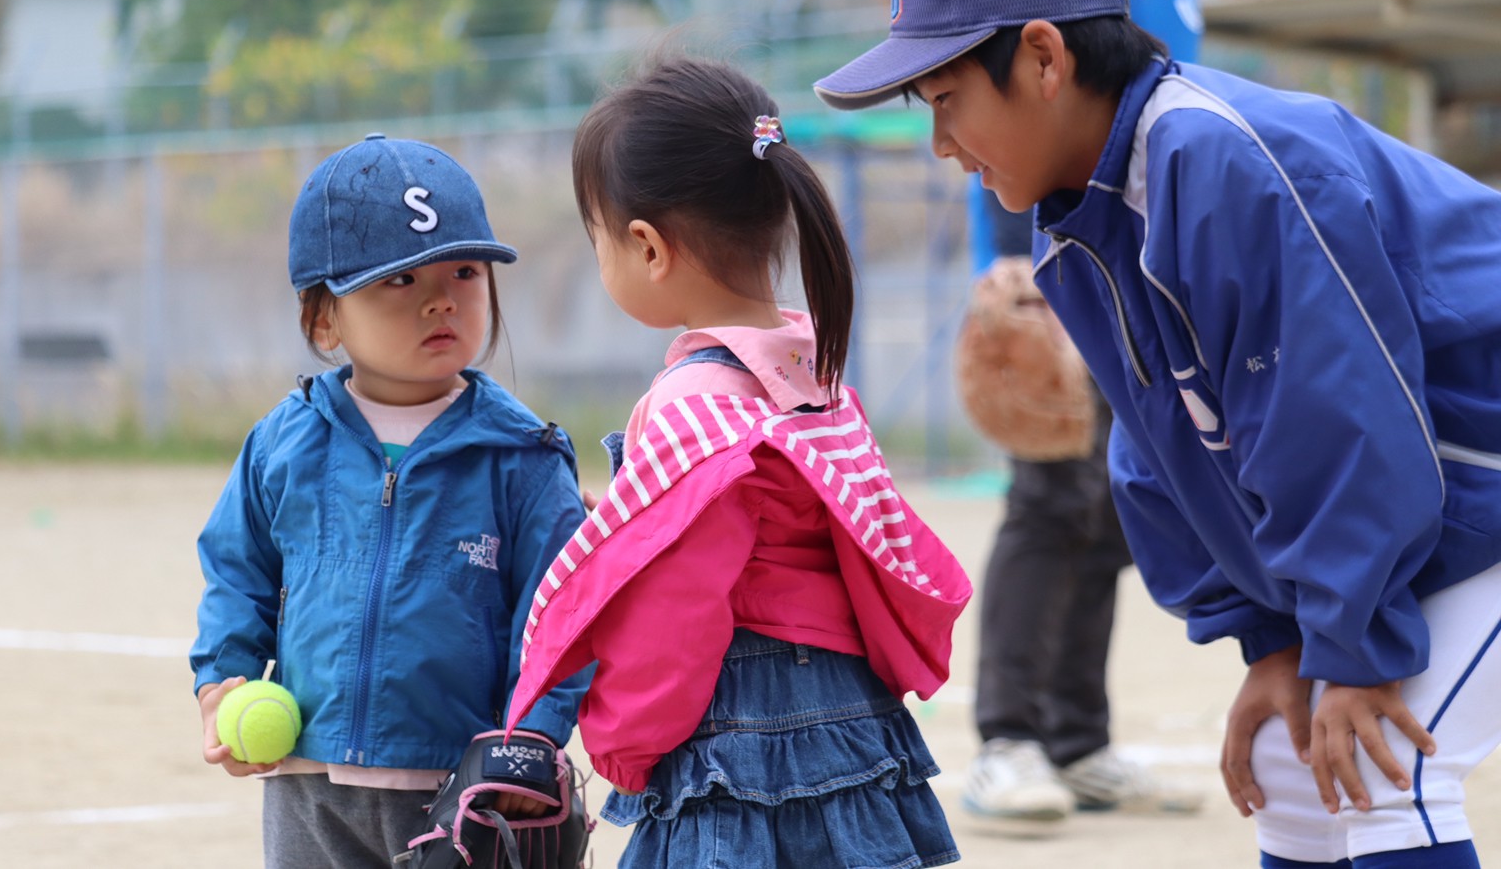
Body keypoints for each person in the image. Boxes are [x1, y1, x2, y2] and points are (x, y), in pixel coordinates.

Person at [815, 0, 1501, 868]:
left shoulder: (1213, 159)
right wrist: (1271, 640)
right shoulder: (1085, 209)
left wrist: (1349, 649)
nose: (939, 143)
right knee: (1297, 774)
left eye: (942, 98)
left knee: (1385, 776)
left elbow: (1334, 420)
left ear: (1045, 59)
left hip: (1472, 470)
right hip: (1446, 481)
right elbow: (1165, 450)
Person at [503, 54, 973, 868]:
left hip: (741, 736)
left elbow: (676, 610)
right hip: (853, 718)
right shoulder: (808, 370)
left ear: (646, 246)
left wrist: (623, 743)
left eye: (598, 238)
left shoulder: (690, 407)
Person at [190, 133, 591, 869]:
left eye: (465, 271)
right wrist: (223, 680)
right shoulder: (285, 441)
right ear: (324, 320)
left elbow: (561, 612)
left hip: (462, 792)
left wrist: (533, 736)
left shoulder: (522, 456)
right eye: (400, 280)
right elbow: (236, 569)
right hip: (310, 786)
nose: (442, 297)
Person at [958, 0, 1204, 823]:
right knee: (1050, 490)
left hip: (1144, 251)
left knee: (1117, 500)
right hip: (1056, 244)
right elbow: (991, 93)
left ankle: (1077, 738)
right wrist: (1009, 261)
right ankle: (1007, 740)